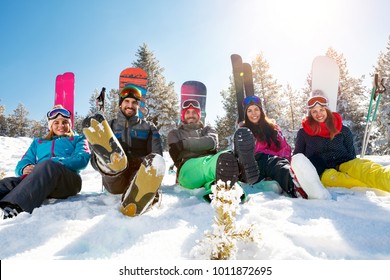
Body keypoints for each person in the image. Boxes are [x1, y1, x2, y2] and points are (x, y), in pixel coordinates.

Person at [83, 84, 164, 216]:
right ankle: (110, 162)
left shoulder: (149, 127)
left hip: (138, 172)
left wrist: (143, 163)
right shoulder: (109, 126)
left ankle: (138, 196)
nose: (130, 105)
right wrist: (102, 163)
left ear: (138, 106)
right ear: (120, 104)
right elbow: (93, 161)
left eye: (134, 102)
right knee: (115, 164)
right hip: (115, 176)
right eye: (126, 101)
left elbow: (156, 156)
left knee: (149, 167)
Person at [0, 105, 91, 219]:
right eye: (56, 122)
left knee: (47, 165)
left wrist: (55, 161)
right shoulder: (38, 142)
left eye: (65, 122)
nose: (61, 126)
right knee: (8, 183)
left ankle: (15, 206)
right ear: (51, 125)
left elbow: (82, 159)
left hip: (68, 182)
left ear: (70, 124)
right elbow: (25, 160)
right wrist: (24, 168)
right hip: (40, 181)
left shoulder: (78, 139)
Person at [294, 93, 390, 192]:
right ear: (311, 114)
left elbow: (351, 153)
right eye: (314, 111)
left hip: (346, 163)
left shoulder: (342, 129)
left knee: (369, 170)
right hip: (323, 170)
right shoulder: (304, 132)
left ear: (326, 110)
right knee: (357, 184)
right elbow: (297, 157)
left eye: (321, 110)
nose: (319, 114)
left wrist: (352, 168)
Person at [167, 99, 259, 201]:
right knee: (223, 160)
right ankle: (238, 169)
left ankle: (225, 189)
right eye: (188, 112)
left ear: (198, 115)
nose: (191, 115)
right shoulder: (175, 133)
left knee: (226, 158)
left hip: (211, 165)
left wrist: (183, 144)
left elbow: (211, 142)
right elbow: (175, 150)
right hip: (187, 171)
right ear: (183, 115)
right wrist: (203, 144)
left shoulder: (208, 129)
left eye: (194, 112)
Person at [241, 95, 321, 198]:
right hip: (255, 168)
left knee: (279, 164)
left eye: (256, 109)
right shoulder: (243, 132)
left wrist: (281, 159)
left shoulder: (272, 128)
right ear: (246, 114)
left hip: (275, 165)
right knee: (267, 159)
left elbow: (285, 149)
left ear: (261, 111)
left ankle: (308, 184)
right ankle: (295, 188)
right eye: (249, 111)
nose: (254, 113)